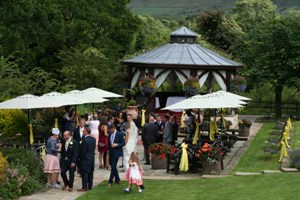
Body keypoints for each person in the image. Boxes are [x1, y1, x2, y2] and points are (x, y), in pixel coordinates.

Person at [77, 127, 96, 192]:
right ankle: (90, 186)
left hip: (85, 158)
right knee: (90, 172)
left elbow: (83, 151)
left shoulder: (84, 140)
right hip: (91, 158)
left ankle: (84, 186)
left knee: (84, 172)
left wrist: (80, 159)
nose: (83, 132)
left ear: (87, 132)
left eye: (84, 131)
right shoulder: (93, 139)